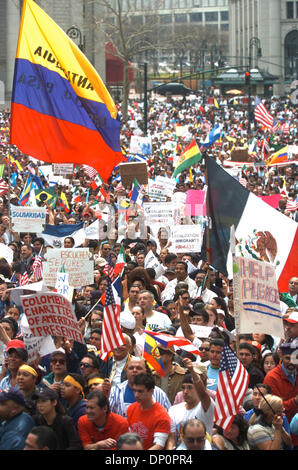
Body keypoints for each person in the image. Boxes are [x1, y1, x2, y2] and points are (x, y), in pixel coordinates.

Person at [166, 359, 214, 450]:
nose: (185, 392)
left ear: (197, 389)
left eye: (190, 388)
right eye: (183, 388)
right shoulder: (173, 410)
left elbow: (203, 394)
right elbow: (171, 438)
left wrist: (192, 371)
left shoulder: (205, 407)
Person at [263, 342, 298, 446]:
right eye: (288, 358)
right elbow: (272, 409)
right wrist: (294, 401)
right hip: (281, 431)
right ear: (281, 357)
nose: (292, 362)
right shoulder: (272, 378)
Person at [127, 372, 171, 450]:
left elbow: (159, 446)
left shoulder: (162, 415)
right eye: (135, 390)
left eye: (140, 391)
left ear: (151, 391)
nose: (136, 395)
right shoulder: (131, 408)